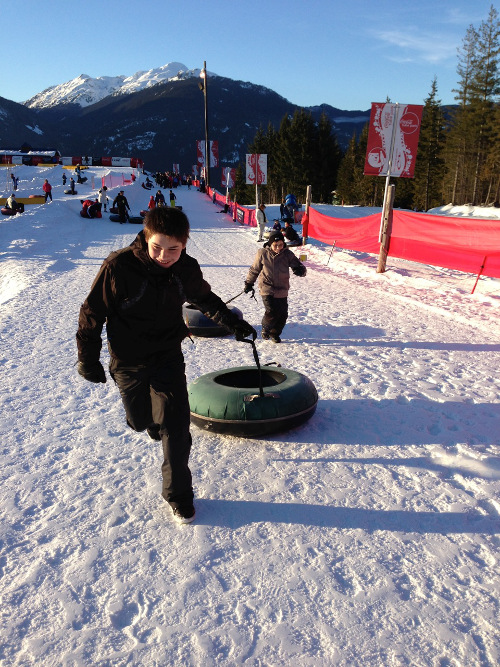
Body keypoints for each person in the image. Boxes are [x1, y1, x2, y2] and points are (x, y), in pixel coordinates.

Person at [76, 206, 256, 524]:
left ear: (184, 245)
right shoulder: (119, 267)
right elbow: (92, 313)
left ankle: (179, 496)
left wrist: (233, 324)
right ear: (146, 238)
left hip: (167, 356)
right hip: (128, 360)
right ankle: (150, 422)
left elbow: (205, 299)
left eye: (173, 249)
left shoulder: (184, 268)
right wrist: (88, 359)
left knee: (176, 428)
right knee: (140, 419)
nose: (164, 255)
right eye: (157, 246)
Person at [244, 231, 306, 343]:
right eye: (275, 245)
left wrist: (300, 270)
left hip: (282, 288)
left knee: (282, 314)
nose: (278, 248)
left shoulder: (287, 254)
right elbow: (254, 269)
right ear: (270, 243)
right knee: (272, 311)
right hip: (267, 287)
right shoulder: (262, 253)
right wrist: (249, 283)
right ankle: (266, 328)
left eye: (281, 245)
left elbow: (299, 265)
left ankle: (275, 333)